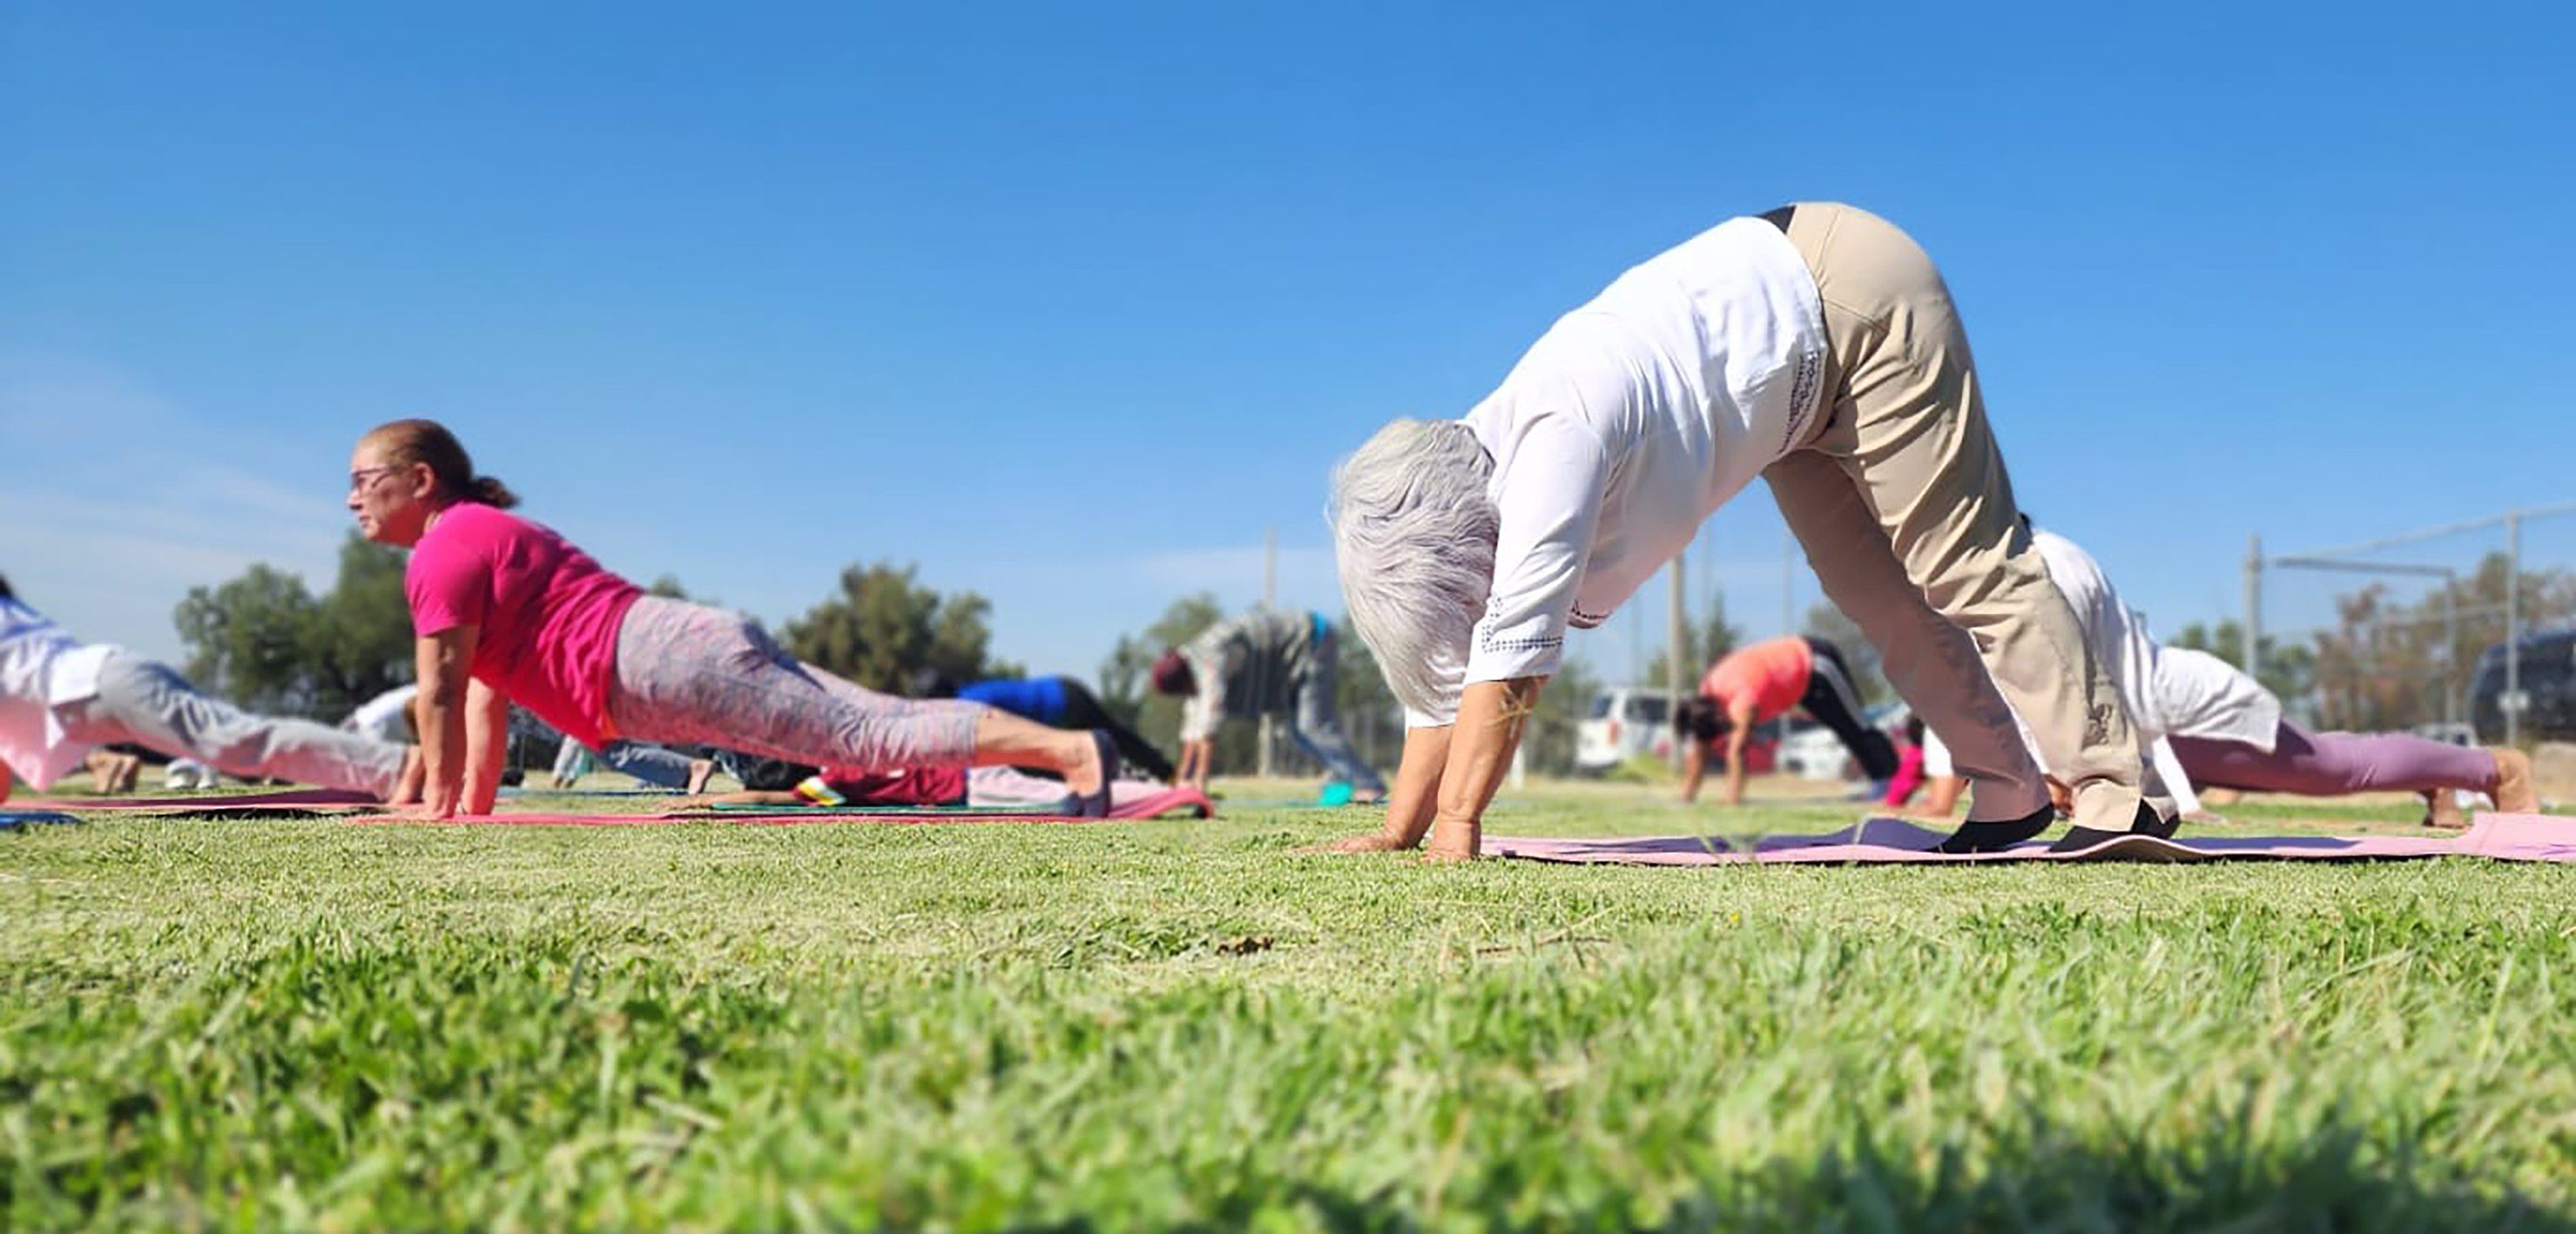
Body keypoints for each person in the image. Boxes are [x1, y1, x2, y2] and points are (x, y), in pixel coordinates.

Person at [1321, 202, 2161, 860]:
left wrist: (1457, 824)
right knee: (1879, 599)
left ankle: (2120, 791)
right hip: (1792, 396)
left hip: (1853, 296)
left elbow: (1508, 661)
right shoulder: (1471, 484)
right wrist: (1403, 829)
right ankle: (2010, 793)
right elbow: (1448, 676)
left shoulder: (1550, 444)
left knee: (1963, 560)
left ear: (1462, 538)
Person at [346, 418, 1113, 819]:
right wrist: (466, 810)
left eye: (363, 480)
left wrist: (437, 808)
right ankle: (1063, 759)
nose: (352, 498)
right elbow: (484, 691)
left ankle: (1069, 754)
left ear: (419, 479)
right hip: (668, 655)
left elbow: (439, 691)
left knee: (870, 737)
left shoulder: (444, 550)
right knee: (875, 726)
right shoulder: (478, 534)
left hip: (657, 661)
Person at [1908, 524, 2538, 827]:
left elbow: (2066, 678)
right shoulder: (1981, 579)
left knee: (2335, 767)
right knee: (2331, 767)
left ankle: (2493, 769)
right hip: (2144, 738)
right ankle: (2442, 782)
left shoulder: (2045, 563)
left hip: (2188, 714)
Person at [0, 573, 418, 799]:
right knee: (239, 749)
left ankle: (396, 768)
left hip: (102, 688)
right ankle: (393, 768)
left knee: (241, 744)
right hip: (101, 690)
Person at [1149, 607, 1386, 801]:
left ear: (1184, 682)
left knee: (1312, 727)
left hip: (1312, 640)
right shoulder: (1191, 659)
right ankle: (1341, 776)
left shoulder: (1210, 656)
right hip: (1296, 656)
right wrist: (1182, 778)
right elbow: (1193, 722)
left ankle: (1367, 784)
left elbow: (1210, 717)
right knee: (1299, 732)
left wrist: (1200, 779)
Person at [1676, 635, 1898, 805]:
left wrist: (1732, 799)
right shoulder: (1707, 694)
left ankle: (1894, 783)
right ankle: (1881, 782)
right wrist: (1687, 796)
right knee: (1843, 729)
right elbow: (1699, 749)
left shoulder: (1741, 700)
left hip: (1814, 661)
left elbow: (1738, 750)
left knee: (1855, 724)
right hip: (1799, 683)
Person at [916, 672, 1177, 782]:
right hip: (1062, 692)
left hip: (1065, 701)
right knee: (1112, 739)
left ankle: (1164, 774)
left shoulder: (970, 706)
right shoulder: (968, 697)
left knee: (1113, 739)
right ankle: (1159, 773)